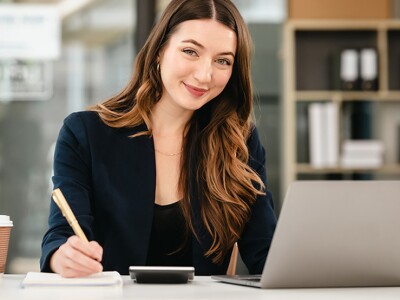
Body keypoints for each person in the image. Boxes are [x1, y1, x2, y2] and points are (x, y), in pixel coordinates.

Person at [40, 0, 276, 278]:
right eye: (190, 51)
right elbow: (62, 235)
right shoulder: (85, 133)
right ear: (159, 51)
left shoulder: (239, 142)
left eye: (222, 60)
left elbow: (268, 254)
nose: (204, 75)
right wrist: (62, 256)